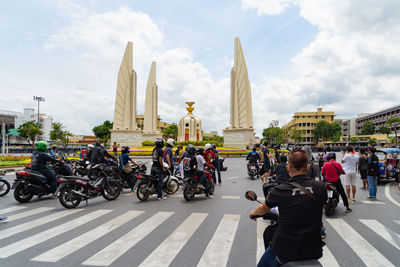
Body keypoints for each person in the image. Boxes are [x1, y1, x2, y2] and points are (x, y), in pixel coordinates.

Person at [250, 149, 327, 266]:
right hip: (313, 248)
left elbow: (263, 208)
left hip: (286, 249)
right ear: (308, 167)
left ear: (287, 169)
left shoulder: (280, 189)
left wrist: (253, 213)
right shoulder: (320, 187)